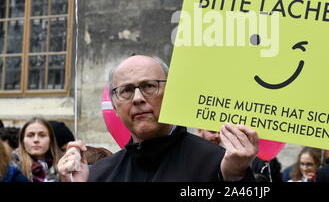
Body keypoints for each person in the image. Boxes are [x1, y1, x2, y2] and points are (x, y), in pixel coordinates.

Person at [58, 55, 259, 182]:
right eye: (126, 90)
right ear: (115, 107)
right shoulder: (100, 174)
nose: (137, 98)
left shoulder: (216, 163)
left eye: (149, 86)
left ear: (171, 93)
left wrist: (235, 178)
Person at [16, 117, 63, 182]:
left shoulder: (65, 165)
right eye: (30, 135)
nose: (36, 140)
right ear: (22, 141)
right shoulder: (11, 168)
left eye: (42, 135)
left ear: (51, 140)